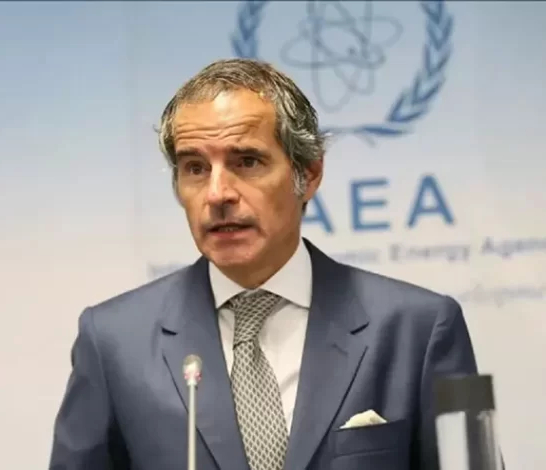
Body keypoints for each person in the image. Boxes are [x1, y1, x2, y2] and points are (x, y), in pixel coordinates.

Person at [47, 58, 479, 470]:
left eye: (247, 162)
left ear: (309, 174)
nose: (217, 193)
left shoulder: (420, 329)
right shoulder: (113, 341)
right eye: (195, 168)